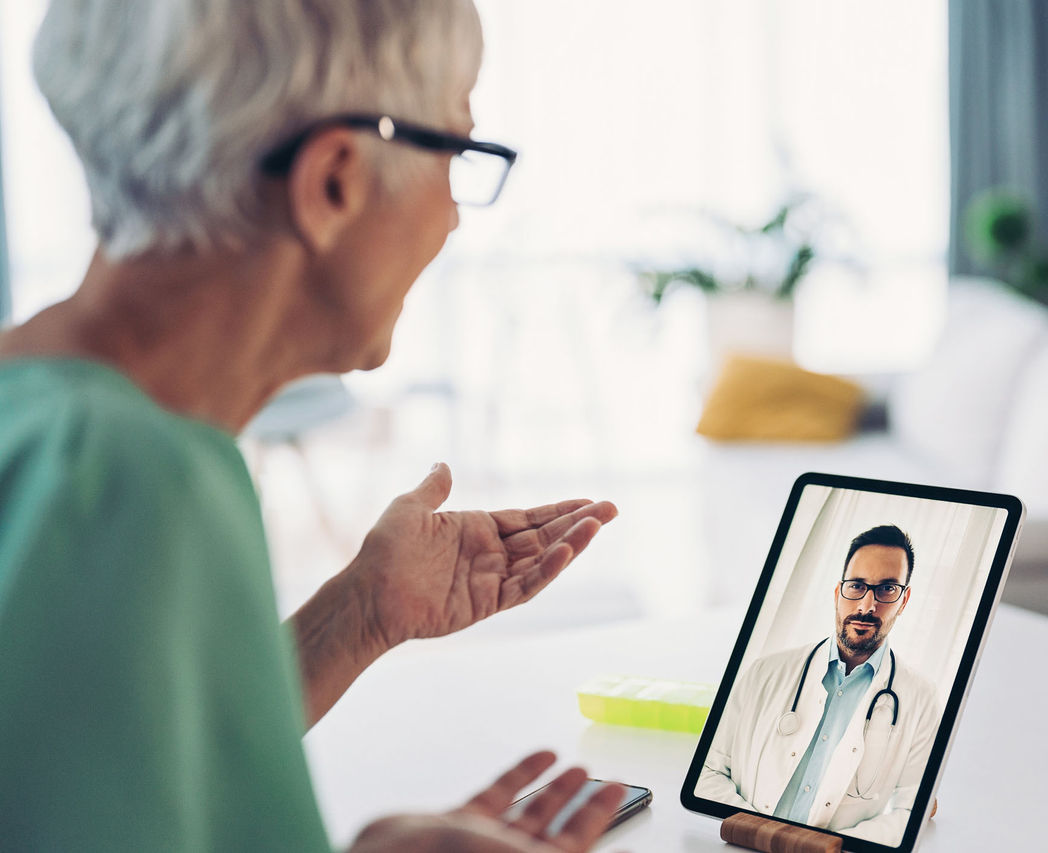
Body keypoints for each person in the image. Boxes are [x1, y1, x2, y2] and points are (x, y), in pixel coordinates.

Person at [0, 1, 627, 850]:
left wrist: (362, 611)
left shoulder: (40, 415)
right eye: (457, 149)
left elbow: (102, 751)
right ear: (335, 180)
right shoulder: (137, 481)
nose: (451, 215)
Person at [697, 525, 941, 845]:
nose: (867, 606)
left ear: (904, 599)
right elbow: (707, 773)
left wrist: (828, 849)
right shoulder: (765, 672)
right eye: (856, 586)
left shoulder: (921, 699)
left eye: (887, 589)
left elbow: (911, 810)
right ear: (837, 591)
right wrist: (766, 835)